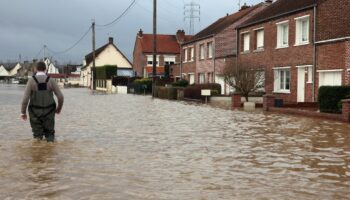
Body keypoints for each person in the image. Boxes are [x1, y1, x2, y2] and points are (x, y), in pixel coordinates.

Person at [21, 61, 64, 142]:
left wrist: (23, 112)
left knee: (37, 137)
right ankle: (50, 151)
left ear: (36, 69)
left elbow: (25, 99)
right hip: (49, 111)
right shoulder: (51, 80)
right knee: (50, 135)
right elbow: (61, 97)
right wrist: (59, 108)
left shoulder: (31, 81)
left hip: (34, 113)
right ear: (46, 69)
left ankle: (38, 153)